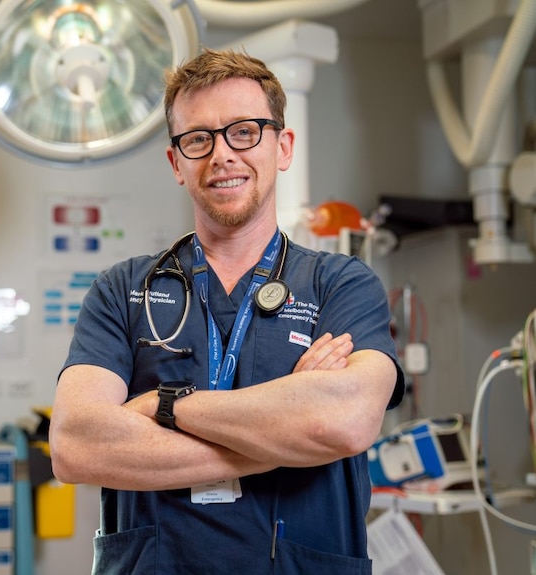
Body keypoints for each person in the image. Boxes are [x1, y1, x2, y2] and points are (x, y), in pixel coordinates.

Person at [49, 47, 405, 575]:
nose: (222, 155)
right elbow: (76, 446)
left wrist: (163, 406)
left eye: (245, 131)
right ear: (176, 162)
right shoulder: (122, 290)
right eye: (198, 139)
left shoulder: (341, 285)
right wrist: (285, 436)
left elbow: (345, 422)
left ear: (282, 147)